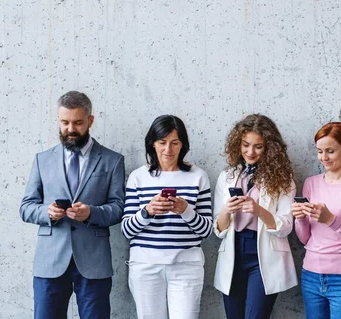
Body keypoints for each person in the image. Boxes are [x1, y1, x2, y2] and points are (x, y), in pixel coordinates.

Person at [19, 91, 125, 319]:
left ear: (90, 121)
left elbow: (118, 208)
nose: (70, 129)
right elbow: (26, 207)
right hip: (50, 260)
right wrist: (47, 212)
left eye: (77, 122)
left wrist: (91, 213)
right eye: (64, 122)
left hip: (93, 261)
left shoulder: (112, 160)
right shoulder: (42, 159)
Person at [121, 115, 212, 319]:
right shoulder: (138, 177)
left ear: (183, 145)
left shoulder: (198, 176)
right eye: (162, 143)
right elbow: (126, 230)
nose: (168, 150)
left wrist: (185, 210)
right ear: (152, 144)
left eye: (175, 143)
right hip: (145, 267)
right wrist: (148, 211)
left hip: (187, 267)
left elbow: (206, 230)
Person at [213, 114, 297, 319]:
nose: (250, 152)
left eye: (258, 146)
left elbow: (286, 226)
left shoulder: (284, 179)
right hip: (233, 252)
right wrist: (227, 210)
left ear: (269, 147)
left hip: (264, 255)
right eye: (245, 145)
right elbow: (218, 230)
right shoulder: (227, 176)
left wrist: (260, 210)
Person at [292, 122, 341, 319]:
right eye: (320, 151)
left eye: (330, 151)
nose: (324, 158)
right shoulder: (311, 184)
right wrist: (300, 218)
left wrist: (331, 220)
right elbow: (305, 239)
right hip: (311, 275)